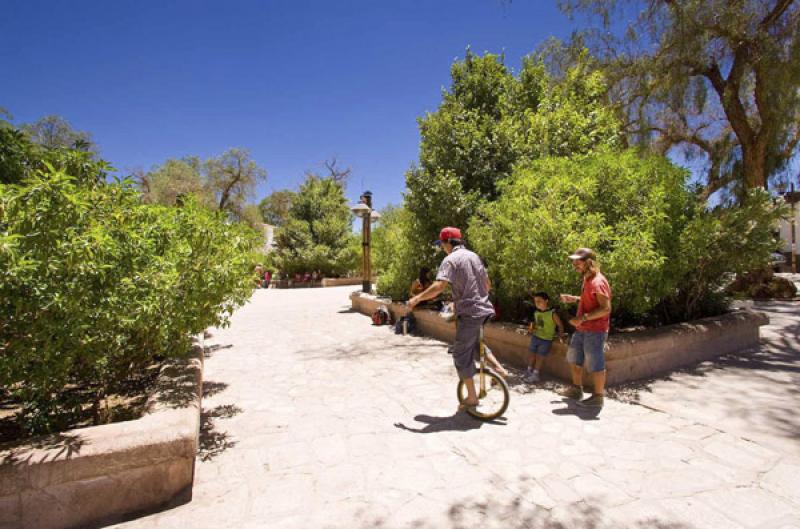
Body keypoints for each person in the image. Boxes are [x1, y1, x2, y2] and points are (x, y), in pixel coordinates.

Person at [408, 226, 506, 411]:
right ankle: (499, 369)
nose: (441, 248)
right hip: (484, 309)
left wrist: (417, 298)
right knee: (475, 342)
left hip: (469, 313)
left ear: (447, 242)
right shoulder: (474, 256)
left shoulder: (450, 259)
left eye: (441, 244)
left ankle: (471, 398)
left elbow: (439, 286)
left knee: (460, 355)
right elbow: (487, 283)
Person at [559, 248, 612, 408]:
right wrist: (575, 299)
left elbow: (606, 308)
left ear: (589, 262)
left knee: (596, 364)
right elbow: (590, 299)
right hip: (582, 329)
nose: (575, 264)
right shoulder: (587, 279)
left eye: (578, 261)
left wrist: (582, 318)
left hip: (595, 331)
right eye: (574, 261)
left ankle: (598, 397)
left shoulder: (598, 281)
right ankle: (576, 390)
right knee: (574, 359)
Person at [524, 292, 566, 383]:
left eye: (539, 301)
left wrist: (560, 335)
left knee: (540, 357)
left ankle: (535, 374)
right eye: (535, 301)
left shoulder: (552, 313)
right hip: (535, 337)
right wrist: (531, 329)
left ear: (546, 301)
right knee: (532, 354)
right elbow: (536, 324)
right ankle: (528, 371)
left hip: (546, 339)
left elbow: (560, 325)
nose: (537, 303)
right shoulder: (536, 312)